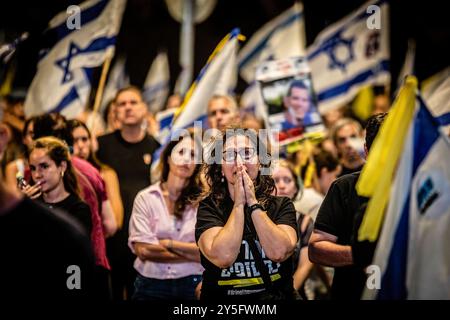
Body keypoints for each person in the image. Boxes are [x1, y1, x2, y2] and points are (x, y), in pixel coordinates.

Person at [195, 127, 298, 301]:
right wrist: (239, 204)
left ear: (260, 162)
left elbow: (279, 252)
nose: (239, 162)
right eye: (229, 155)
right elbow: (223, 257)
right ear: (220, 167)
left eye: (247, 153)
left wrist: (252, 203)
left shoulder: (282, 205)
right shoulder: (209, 208)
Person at [308, 113, 387, 300]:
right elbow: (316, 249)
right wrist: (358, 255)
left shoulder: (418, 188)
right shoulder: (344, 187)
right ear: (366, 151)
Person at [96, 85, 160, 299]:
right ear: (114, 111)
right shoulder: (101, 146)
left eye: (133, 102)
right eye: (122, 104)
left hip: (147, 235)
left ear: (144, 108)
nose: (128, 108)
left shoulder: (157, 147)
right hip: (113, 235)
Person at [128, 129, 204, 300]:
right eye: (181, 152)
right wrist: (190, 253)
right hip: (150, 283)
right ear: (168, 158)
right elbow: (144, 250)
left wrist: (167, 243)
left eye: (193, 155)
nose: (186, 159)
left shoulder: (202, 203)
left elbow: (207, 252)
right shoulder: (146, 197)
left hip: (193, 283)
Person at [68, 119, 124, 230]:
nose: (80, 145)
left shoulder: (106, 173)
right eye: (73, 140)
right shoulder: (60, 175)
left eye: (84, 139)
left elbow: (117, 221)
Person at [272, 159, 314, 299]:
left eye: (287, 180)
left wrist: (286, 296)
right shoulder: (257, 219)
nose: (282, 185)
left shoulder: (305, 222)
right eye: (276, 180)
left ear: (296, 187)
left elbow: (305, 267)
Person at [4, 116, 35, 191]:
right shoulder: (17, 168)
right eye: (31, 133)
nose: (35, 137)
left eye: (39, 133)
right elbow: (15, 197)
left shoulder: (54, 163)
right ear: (24, 139)